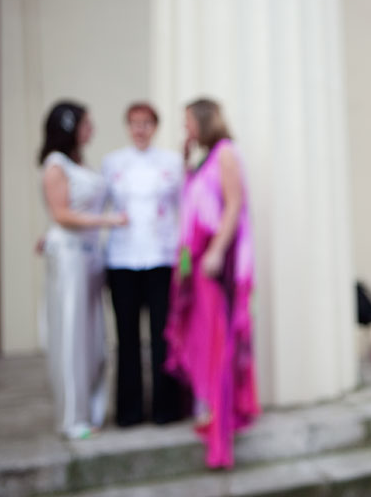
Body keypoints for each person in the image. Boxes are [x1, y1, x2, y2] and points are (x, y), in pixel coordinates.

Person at [164, 97, 260, 468]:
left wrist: (217, 251)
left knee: (219, 339)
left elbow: (234, 205)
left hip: (214, 264)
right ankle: (209, 406)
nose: (184, 128)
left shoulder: (225, 153)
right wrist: (185, 158)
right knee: (202, 337)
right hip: (196, 262)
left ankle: (221, 413)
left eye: (187, 121)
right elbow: (193, 204)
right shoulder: (203, 157)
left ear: (203, 121)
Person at [39, 101, 127, 440]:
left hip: (91, 257)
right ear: (70, 126)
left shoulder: (78, 164)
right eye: (87, 123)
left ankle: (92, 408)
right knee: (71, 335)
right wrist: (108, 221)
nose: (92, 129)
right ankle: (72, 416)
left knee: (93, 336)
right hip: (71, 257)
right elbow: (61, 214)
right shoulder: (55, 165)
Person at [102, 103, 184, 427]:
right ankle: (129, 410)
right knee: (127, 337)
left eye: (146, 123)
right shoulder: (113, 163)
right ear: (127, 126)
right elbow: (96, 208)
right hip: (123, 258)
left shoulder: (171, 162)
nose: (140, 129)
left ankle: (166, 408)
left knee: (161, 334)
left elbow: (183, 207)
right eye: (135, 123)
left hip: (160, 257)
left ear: (155, 126)